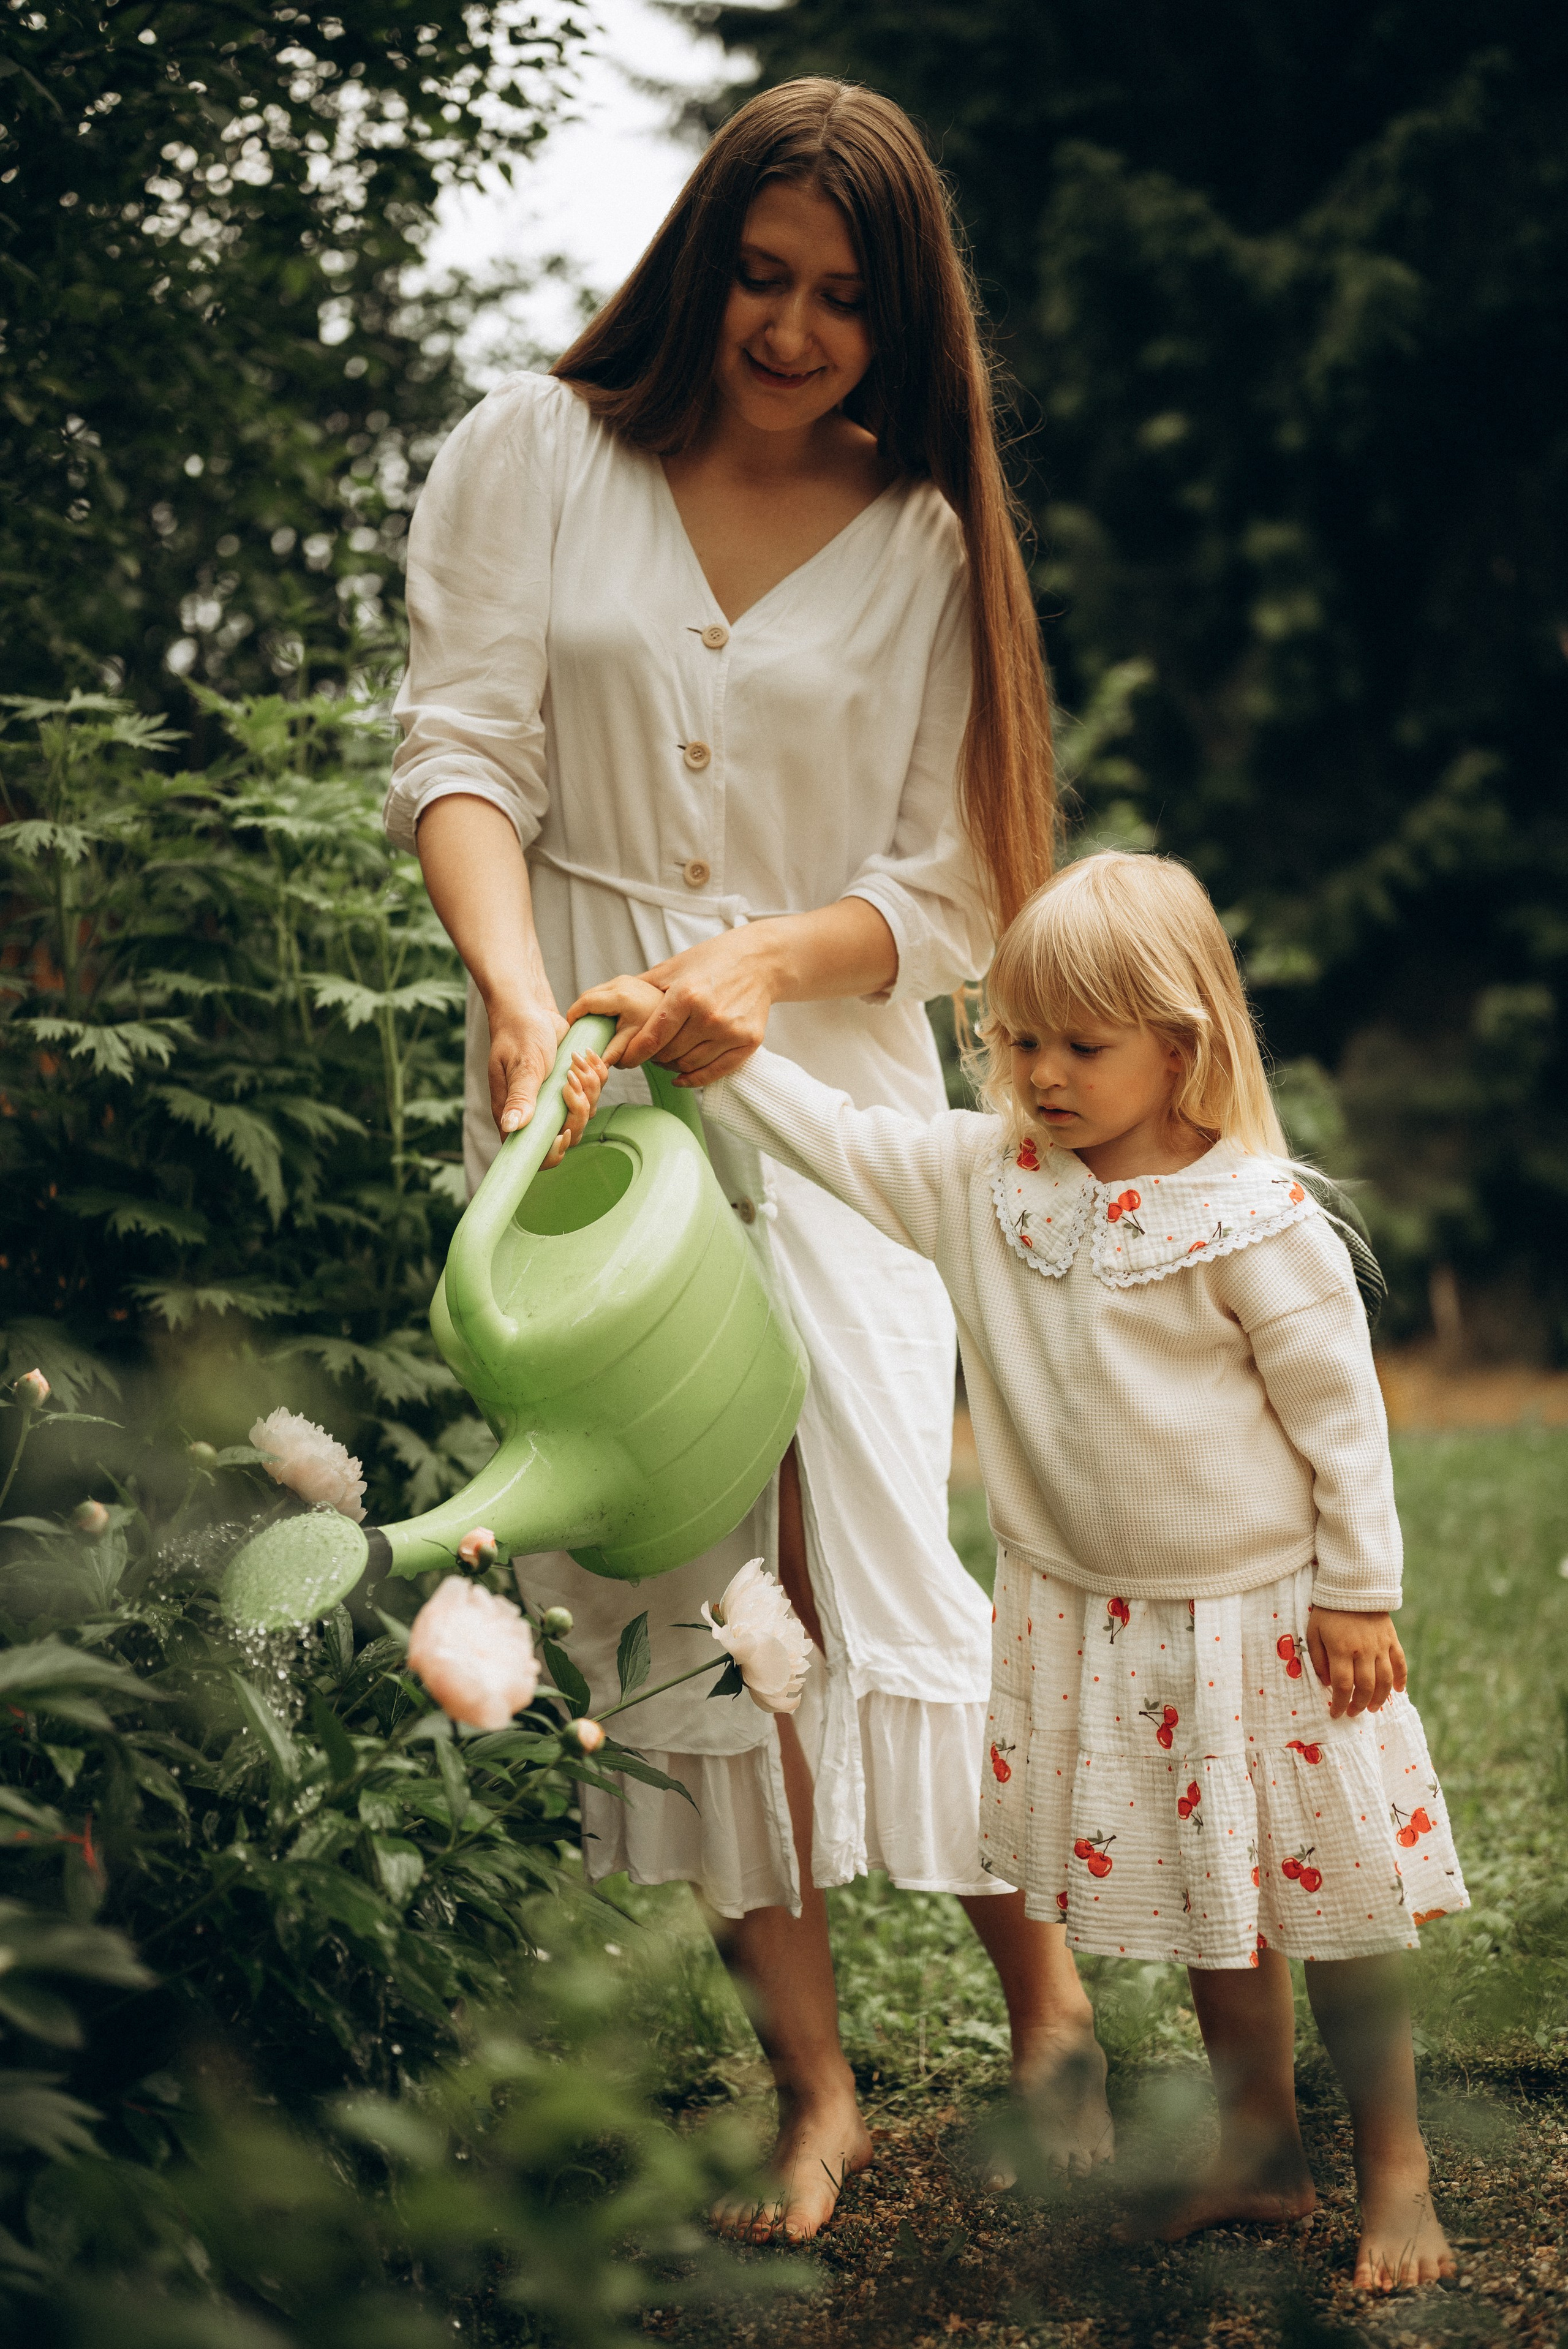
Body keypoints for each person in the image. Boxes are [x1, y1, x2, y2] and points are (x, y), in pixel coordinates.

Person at [385, 77, 1110, 2238]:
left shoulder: (924, 536)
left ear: (907, 330)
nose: (793, 331)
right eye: (764, 280)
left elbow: (965, 892)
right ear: (704, 262)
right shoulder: (538, 452)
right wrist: (523, 996)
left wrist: (765, 966)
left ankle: (1053, 2024)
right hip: (591, 1083)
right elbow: (464, 751)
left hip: (838, 1087)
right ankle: (815, 2088)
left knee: (883, 1540)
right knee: (683, 1584)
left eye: (845, 302)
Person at [573, 846, 1470, 2292]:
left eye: (1080, 1046)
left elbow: (1342, 1424)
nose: (1040, 1075)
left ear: (1180, 1044)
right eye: (1014, 1040)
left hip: (1266, 1623)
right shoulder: (984, 1183)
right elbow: (832, 1134)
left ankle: (1397, 2169)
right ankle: (1258, 2144)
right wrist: (694, 1036)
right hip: (1108, 1620)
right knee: (1210, 1899)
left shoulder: (1253, 1220)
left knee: (1332, 1900)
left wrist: (1357, 1591)